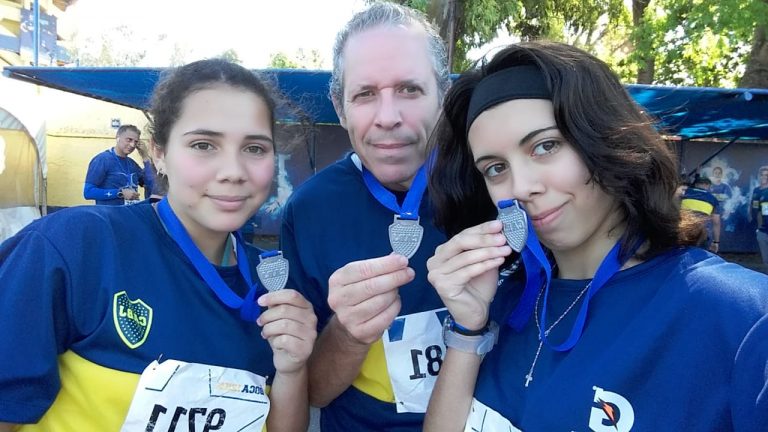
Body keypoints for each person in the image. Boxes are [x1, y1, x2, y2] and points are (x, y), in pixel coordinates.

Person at [424, 41, 768, 431]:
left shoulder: (741, 320)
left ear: (605, 138)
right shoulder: (500, 301)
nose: (519, 187)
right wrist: (469, 328)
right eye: (495, 168)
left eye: (545, 146)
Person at [0, 59, 316, 431]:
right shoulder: (73, 248)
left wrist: (292, 369)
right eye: (203, 144)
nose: (233, 171)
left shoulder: (274, 284)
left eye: (255, 148)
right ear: (159, 153)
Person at [279, 2, 451, 430]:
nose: (388, 117)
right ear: (340, 108)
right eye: (365, 94)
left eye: (409, 89)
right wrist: (347, 333)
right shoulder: (309, 209)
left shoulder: (493, 188)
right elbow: (310, 390)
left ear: (443, 95)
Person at [83, 124, 155, 205]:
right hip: (109, 212)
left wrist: (145, 157)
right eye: (129, 140)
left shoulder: (132, 164)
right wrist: (120, 193)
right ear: (118, 138)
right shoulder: (102, 160)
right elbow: (88, 192)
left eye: (136, 142)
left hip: (130, 211)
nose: (132, 145)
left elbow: (152, 184)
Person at [681, 176, 721, 252]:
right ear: (708, 186)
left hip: (683, 231)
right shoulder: (713, 199)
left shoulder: (683, 193)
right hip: (702, 234)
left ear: (696, 184)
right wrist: (716, 242)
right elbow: (716, 223)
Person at [749, 165, 768, 265]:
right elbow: (754, 207)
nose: (764, 177)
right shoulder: (756, 190)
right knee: (765, 260)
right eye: (762, 175)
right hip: (761, 228)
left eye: (766, 175)